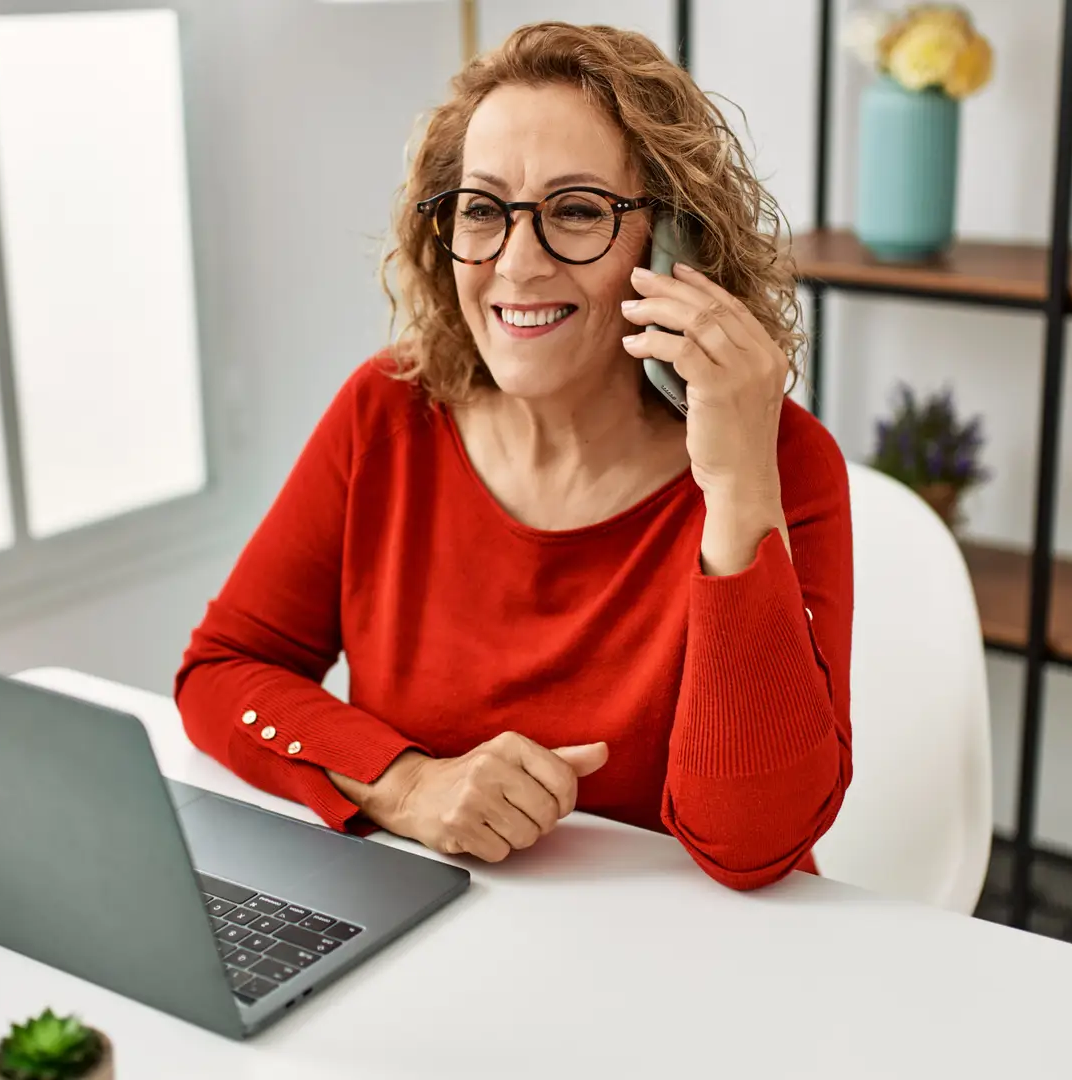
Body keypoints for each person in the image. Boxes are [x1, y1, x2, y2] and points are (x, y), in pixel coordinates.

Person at [175, 22, 852, 891]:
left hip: (690, 971)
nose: (516, 265)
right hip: (440, 941)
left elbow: (752, 844)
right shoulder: (386, 413)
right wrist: (405, 783)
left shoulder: (782, 462)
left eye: (575, 211)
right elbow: (224, 673)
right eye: (484, 211)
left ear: (676, 245)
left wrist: (737, 487)